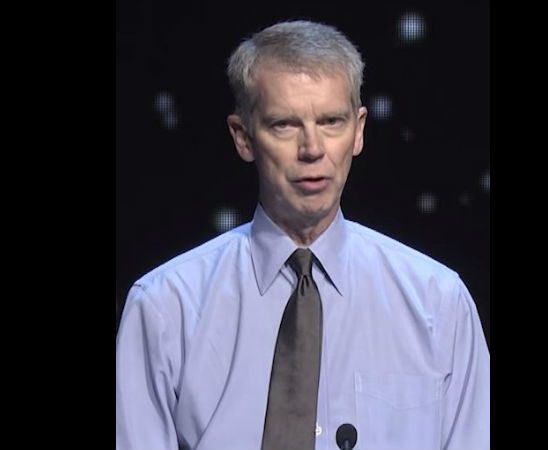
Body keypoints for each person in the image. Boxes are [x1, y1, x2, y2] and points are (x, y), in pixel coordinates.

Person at [116, 20, 490, 450]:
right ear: (243, 137)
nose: (312, 148)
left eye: (331, 121)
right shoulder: (167, 307)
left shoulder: (438, 304)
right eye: (284, 125)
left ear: (359, 130)